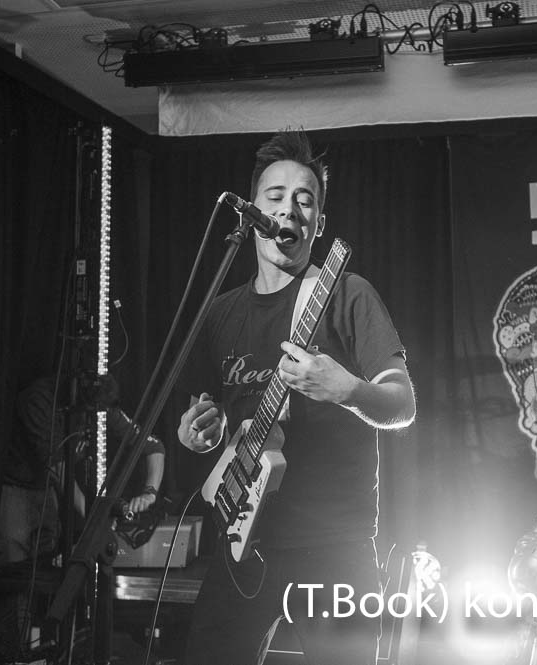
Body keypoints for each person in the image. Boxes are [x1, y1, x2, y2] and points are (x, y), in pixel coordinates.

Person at [177, 130, 416, 665]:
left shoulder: (347, 294)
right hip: (243, 539)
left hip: (333, 544)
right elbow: (206, 416)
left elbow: (402, 404)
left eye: (304, 200)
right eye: (275, 196)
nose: (289, 208)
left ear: (318, 224)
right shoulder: (220, 313)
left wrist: (347, 389)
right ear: (252, 215)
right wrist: (197, 433)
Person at [0, 373, 165, 566]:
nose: (96, 416)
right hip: (15, 487)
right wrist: (95, 518)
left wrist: (149, 493)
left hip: (46, 489)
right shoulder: (39, 400)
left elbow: (153, 446)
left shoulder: (101, 403)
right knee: (13, 561)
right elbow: (59, 469)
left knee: (46, 559)